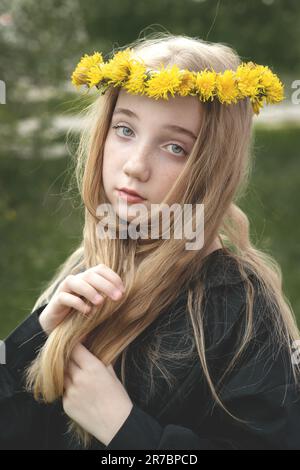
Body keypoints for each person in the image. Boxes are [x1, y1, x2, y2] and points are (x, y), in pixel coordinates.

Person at [1, 32, 300, 450]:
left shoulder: (241, 310)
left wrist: (125, 429)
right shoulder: (84, 271)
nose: (136, 166)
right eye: (125, 129)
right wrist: (34, 337)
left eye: (175, 147)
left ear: (213, 168)